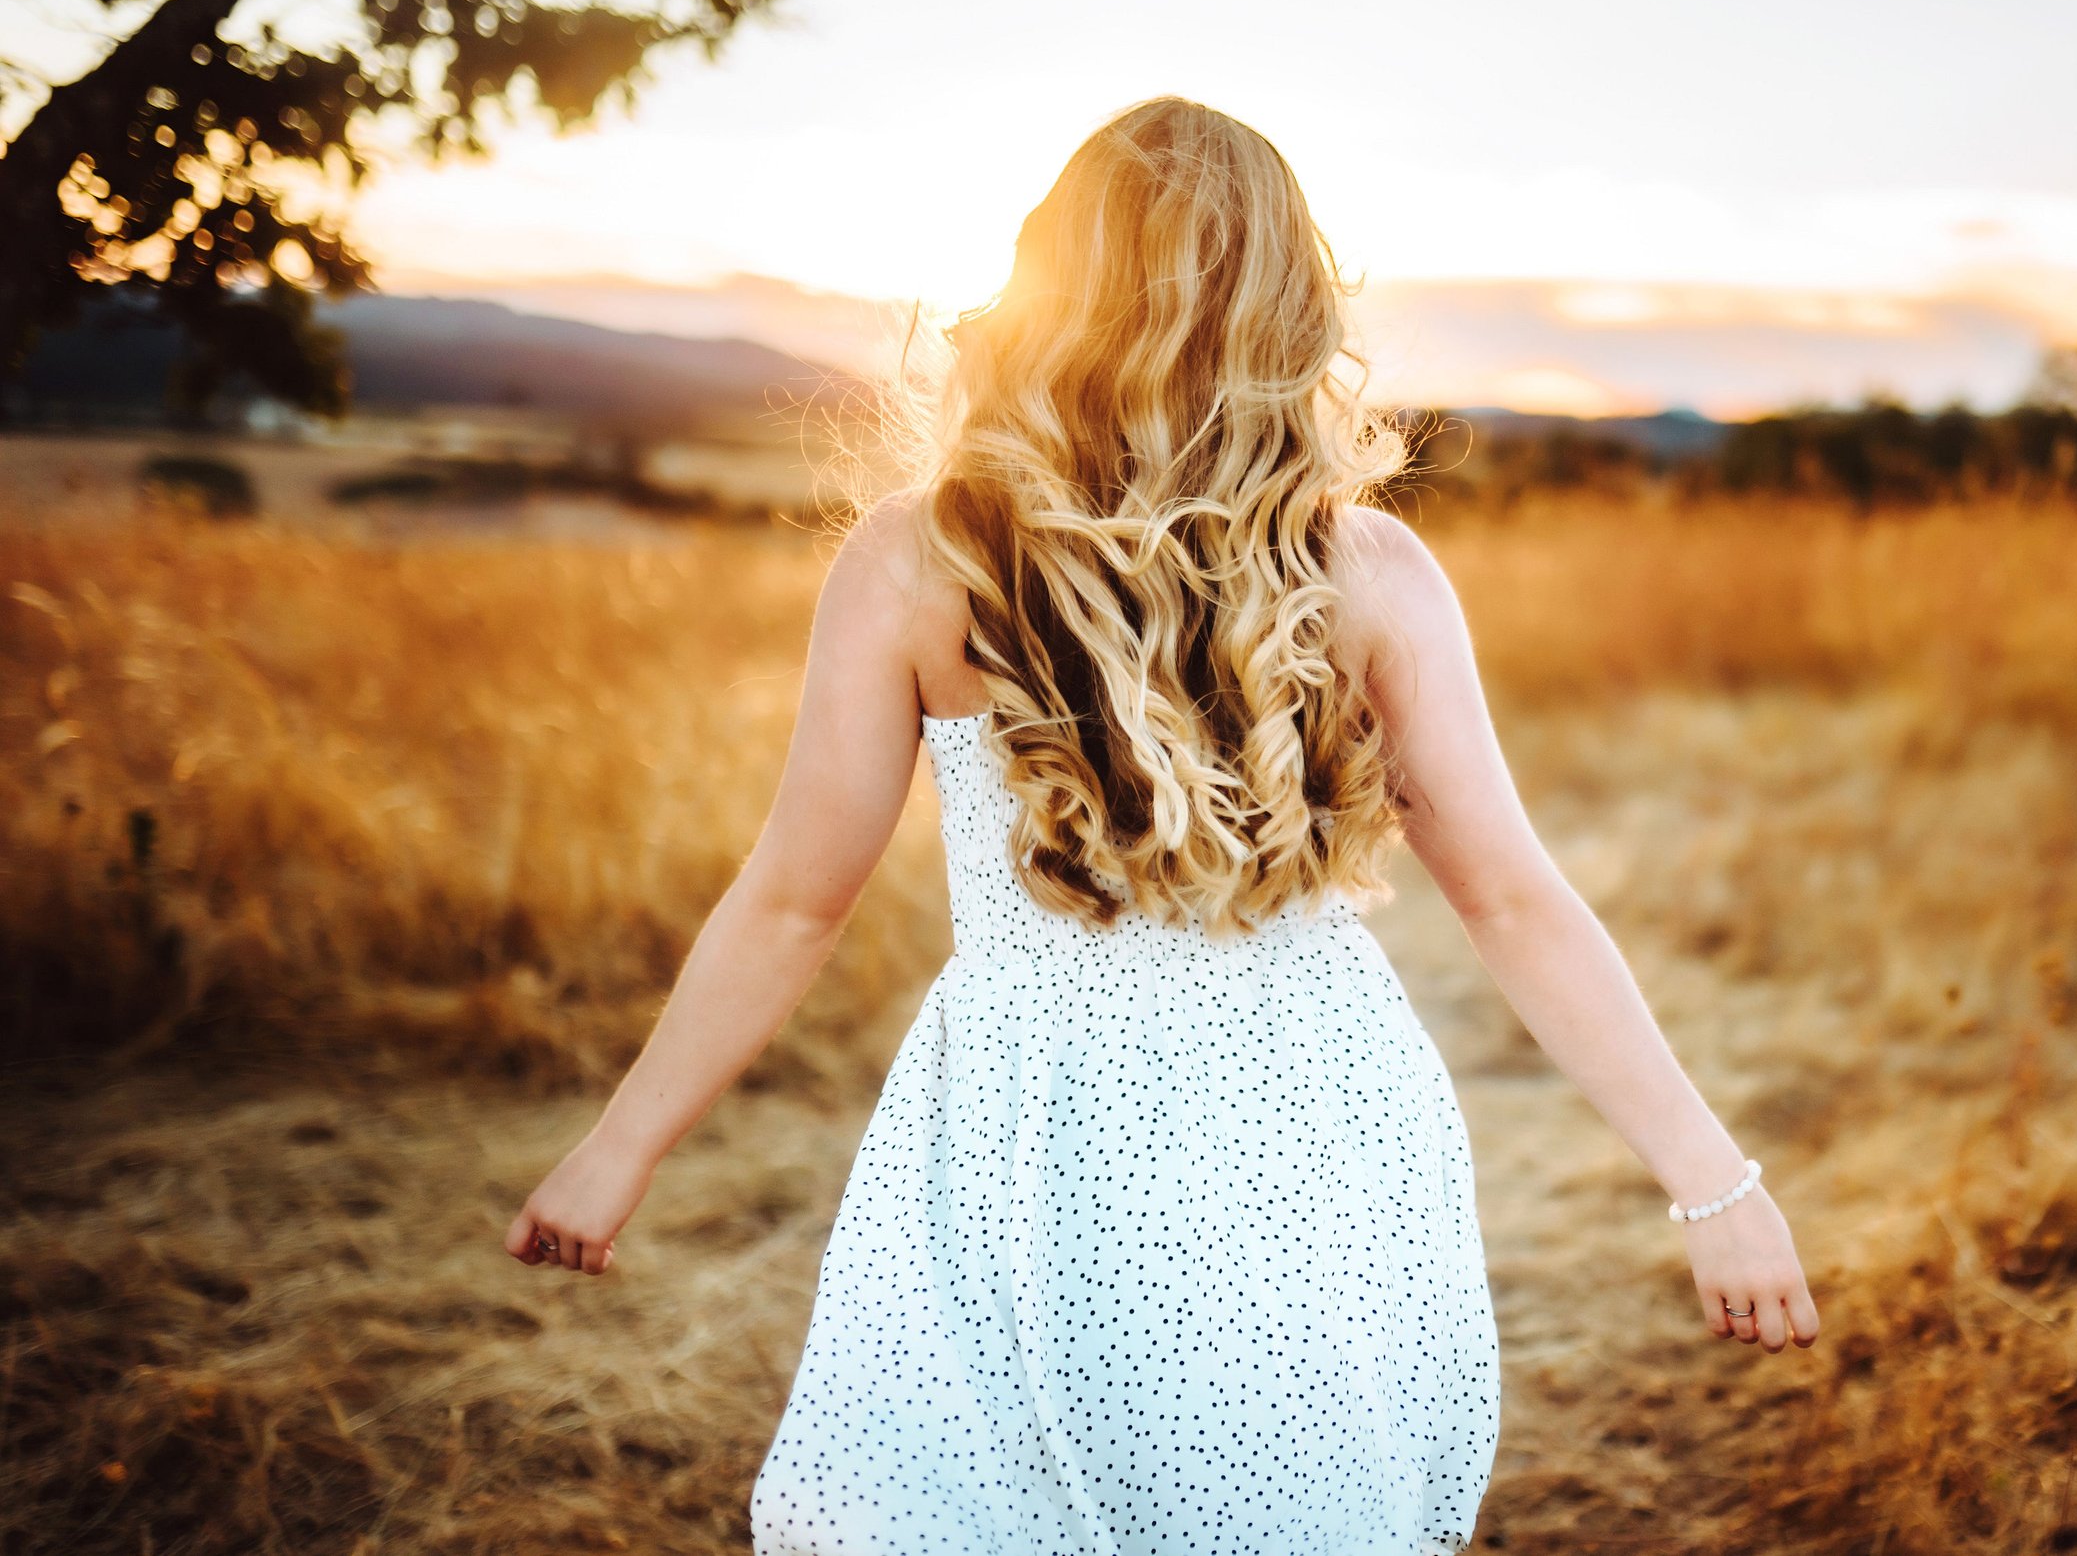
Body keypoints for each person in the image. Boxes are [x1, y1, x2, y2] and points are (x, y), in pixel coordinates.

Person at [505, 96, 1817, 1555]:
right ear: (1291, 309)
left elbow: (793, 902)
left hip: (1033, 1135)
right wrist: (1717, 1185)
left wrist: (618, 1150)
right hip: (1307, 1123)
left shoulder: (917, 565)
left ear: (1048, 287)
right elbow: (1511, 899)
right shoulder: (1369, 572)